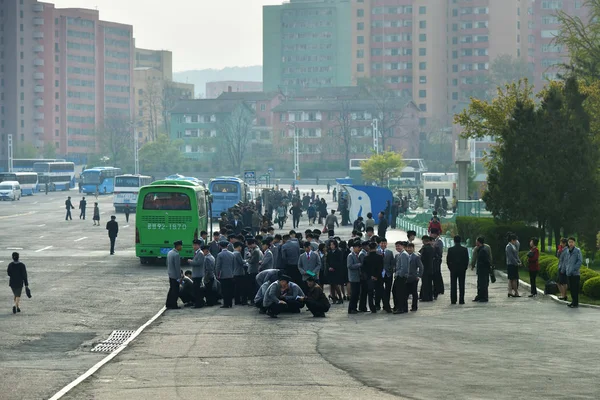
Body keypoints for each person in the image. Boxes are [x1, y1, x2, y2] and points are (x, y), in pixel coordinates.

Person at [447, 235, 469, 305]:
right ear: (460, 240)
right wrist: (465, 267)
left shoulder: (450, 249)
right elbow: (467, 260)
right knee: (462, 284)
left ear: (454, 240)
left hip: (453, 269)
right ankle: (461, 300)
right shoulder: (464, 249)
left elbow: (448, 260)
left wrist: (450, 268)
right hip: (462, 269)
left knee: (453, 285)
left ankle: (453, 300)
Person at [362, 242, 383, 313]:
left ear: (369, 248)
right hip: (378, 277)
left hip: (369, 278)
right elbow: (381, 268)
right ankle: (380, 305)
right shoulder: (380, 257)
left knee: (370, 293)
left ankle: (372, 308)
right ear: (376, 248)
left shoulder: (366, 258)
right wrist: (376, 276)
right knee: (379, 292)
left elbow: (364, 269)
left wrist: (370, 276)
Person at [215, 241, 235, 308]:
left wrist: (217, 274)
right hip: (231, 274)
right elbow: (233, 265)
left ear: (220, 246)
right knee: (230, 289)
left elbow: (218, 266)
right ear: (227, 246)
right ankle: (230, 303)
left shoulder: (220, 255)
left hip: (223, 275)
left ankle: (226, 303)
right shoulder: (232, 254)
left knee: (224, 290)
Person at [471, 237, 491, 302]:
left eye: (476, 241)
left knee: (483, 283)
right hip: (482, 269)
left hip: (483, 269)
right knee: (480, 283)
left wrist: (472, 265)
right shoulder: (485, 248)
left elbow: (485, 259)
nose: (475, 242)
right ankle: (480, 295)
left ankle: (484, 297)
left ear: (479, 242)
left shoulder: (482, 250)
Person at [565, 237, 582, 308]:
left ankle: (575, 303)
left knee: (575, 289)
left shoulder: (577, 251)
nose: (570, 244)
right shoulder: (567, 251)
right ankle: (573, 302)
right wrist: (567, 269)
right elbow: (567, 261)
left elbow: (580, 261)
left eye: (572, 242)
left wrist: (574, 269)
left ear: (574, 243)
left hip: (575, 274)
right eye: (569, 242)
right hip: (569, 273)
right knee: (571, 289)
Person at [188, 239, 206, 308]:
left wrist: (191, 261)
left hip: (198, 274)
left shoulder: (200, 253)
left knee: (197, 290)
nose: (194, 246)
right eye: (193, 245)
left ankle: (198, 304)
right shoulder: (196, 253)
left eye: (195, 245)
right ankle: (198, 303)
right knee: (196, 289)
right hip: (196, 274)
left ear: (199, 245)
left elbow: (199, 263)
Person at [405, 243, 423, 312]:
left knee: (414, 292)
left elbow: (421, 267)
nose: (409, 249)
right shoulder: (405, 255)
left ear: (413, 248)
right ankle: (405, 307)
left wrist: (418, 276)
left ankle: (414, 306)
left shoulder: (416, 257)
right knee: (406, 292)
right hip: (406, 277)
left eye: (410, 248)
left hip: (414, 277)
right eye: (408, 248)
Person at [166, 241, 183, 310]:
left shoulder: (170, 253)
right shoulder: (176, 254)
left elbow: (167, 263)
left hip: (170, 274)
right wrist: (179, 277)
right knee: (175, 291)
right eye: (181, 246)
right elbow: (177, 267)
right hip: (175, 275)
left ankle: (168, 303)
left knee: (171, 289)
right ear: (178, 246)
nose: (181, 247)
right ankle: (174, 305)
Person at [393, 241, 409, 314]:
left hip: (401, 276)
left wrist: (399, 275)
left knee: (399, 293)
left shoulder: (403, 254)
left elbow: (404, 267)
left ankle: (400, 308)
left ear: (402, 246)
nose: (397, 248)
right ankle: (403, 307)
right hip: (400, 275)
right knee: (398, 292)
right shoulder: (401, 254)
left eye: (399, 246)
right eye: (396, 246)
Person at [326, 239, 344, 304]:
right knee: (332, 285)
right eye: (330, 245)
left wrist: (334, 267)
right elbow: (327, 261)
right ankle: (333, 298)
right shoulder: (329, 252)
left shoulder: (339, 252)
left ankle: (340, 297)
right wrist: (329, 267)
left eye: (333, 245)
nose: (332, 246)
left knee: (336, 284)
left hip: (337, 271)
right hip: (330, 271)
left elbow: (340, 261)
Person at [378, 239, 394, 313]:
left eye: (384, 243)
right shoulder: (377, 252)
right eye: (382, 243)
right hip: (380, 274)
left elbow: (392, 263)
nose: (383, 244)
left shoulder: (390, 252)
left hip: (388, 273)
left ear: (386, 244)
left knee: (388, 290)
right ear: (379, 244)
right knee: (379, 290)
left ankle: (386, 305)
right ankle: (378, 304)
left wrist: (390, 269)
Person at [346, 240, 362, 314]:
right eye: (358, 247)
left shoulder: (359, 255)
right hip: (353, 277)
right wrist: (359, 265)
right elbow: (349, 266)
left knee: (356, 294)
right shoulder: (350, 256)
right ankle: (351, 308)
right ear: (354, 248)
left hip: (358, 277)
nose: (359, 249)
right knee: (354, 294)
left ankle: (354, 308)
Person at [505, 234, 522, 298]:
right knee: (514, 279)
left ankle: (510, 291)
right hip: (511, 265)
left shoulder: (513, 246)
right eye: (515, 240)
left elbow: (516, 255)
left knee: (512, 279)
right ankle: (516, 292)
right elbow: (511, 257)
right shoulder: (509, 246)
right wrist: (516, 263)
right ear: (512, 240)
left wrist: (519, 261)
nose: (516, 242)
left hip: (513, 264)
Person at [419, 236, 435, 302]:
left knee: (425, 283)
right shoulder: (432, 248)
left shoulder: (424, 248)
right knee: (429, 283)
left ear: (424, 241)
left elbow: (421, 257)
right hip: (431, 267)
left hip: (424, 268)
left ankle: (425, 297)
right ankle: (430, 297)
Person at [430, 228, 444, 299]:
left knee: (437, 274)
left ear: (435, 234)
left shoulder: (439, 241)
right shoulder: (435, 240)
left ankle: (439, 289)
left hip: (437, 260)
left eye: (431, 233)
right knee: (437, 275)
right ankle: (439, 289)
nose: (430, 235)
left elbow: (440, 252)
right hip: (435, 260)